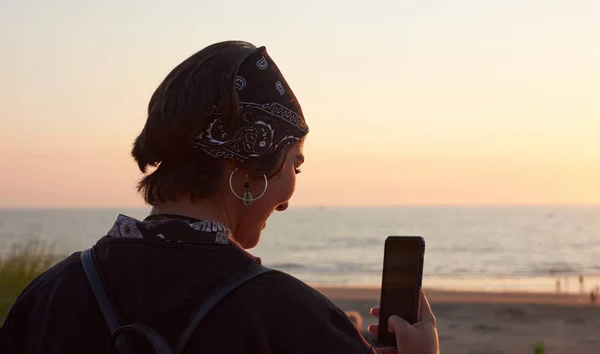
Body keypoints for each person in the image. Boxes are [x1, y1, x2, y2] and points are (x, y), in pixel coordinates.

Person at [0, 41, 439, 354]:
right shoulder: (292, 319)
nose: (288, 197)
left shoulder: (46, 298)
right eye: (294, 165)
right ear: (247, 172)